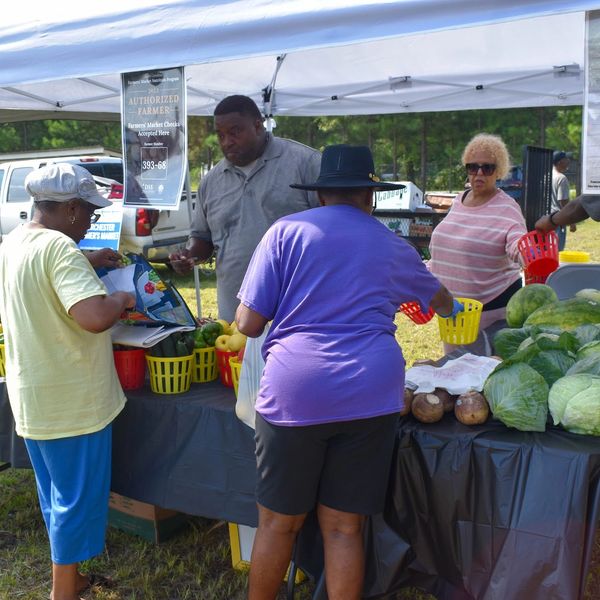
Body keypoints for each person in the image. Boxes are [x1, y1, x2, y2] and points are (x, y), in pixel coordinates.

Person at [235, 145, 459, 600]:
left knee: (278, 524)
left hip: (296, 391)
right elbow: (443, 302)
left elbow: (247, 324)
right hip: (370, 392)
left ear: (320, 195)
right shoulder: (393, 245)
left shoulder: (285, 232)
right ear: (371, 197)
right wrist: (448, 303)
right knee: (343, 528)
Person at [0, 163, 136, 600]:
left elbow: (40, 281)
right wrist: (119, 297)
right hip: (73, 405)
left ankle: (72, 578)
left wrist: (87, 260)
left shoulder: (14, 242)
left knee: (56, 497)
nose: (90, 224)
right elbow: (94, 317)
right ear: (73, 208)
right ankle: (64, 593)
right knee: (76, 503)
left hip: (34, 399)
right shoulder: (59, 248)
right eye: (90, 215)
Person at [169, 94, 321, 322]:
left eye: (235, 132)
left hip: (297, 312)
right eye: (220, 135)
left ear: (258, 126)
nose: (226, 142)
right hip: (236, 316)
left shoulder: (305, 163)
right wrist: (189, 256)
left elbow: (331, 231)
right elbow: (203, 239)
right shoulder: (211, 182)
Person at [428, 133, 528, 355]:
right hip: (453, 316)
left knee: (480, 384)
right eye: (473, 167)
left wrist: (527, 253)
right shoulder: (459, 200)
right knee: (455, 379)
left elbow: (517, 244)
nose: (479, 173)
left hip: (489, 317)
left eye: (487, 168)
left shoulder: (507, 207)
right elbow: (448, 247)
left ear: (499, 170)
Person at [551, 150, 575, 250]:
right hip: (558, 220)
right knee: (557, 252)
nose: (568, 161)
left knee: (548, 250)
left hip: (546, 220)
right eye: (566, 159)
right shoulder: (561, 178)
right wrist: (571, 221)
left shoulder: (548, 175)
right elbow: (563, 202)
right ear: (560, 162)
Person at [535, 193, 600, 230]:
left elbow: (590, 201)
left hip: (559, 217)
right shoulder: (562, 178)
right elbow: (563, 200)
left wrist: (551, 220)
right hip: (561, 217)